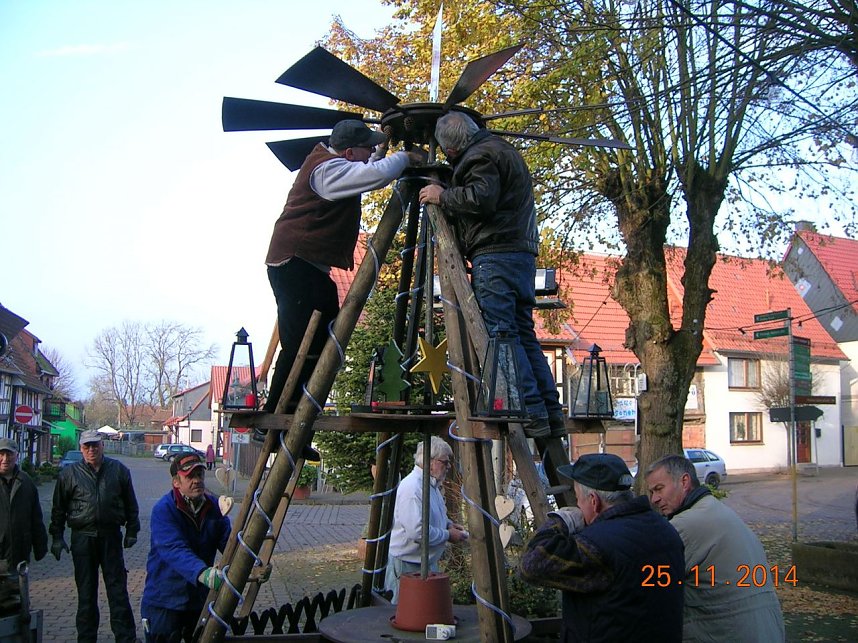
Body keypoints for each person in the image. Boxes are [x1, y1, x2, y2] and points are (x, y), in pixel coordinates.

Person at [263, 119, 425, 417]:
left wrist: (379, 154)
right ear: (349, 152)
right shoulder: (327, 171)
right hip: (296, 264)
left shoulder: (333, 162)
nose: (370, 153)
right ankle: (275, 415)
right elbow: (371, 176)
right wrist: (404, 158)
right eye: (366, 149)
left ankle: (298, 415)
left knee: (322, 341)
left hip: (305, 266)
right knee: (299, 343)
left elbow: (364, 171)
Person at [418, 111, 562, 439]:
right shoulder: (501, 149)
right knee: (523, 333)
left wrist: (443, 195)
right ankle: (549, 411)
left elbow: (481, 198)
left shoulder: (479, 157)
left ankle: (529, 411)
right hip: (520, 254)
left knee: (501, 334)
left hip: (495, 253)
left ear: (451, 150)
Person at [519, 453, 684, 642]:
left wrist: (562, 521)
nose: (577, 505)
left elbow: (530, 566)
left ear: (594, 501)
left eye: (578, 499)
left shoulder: (598, 545)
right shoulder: (665, 529)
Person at [645, 454, 785, 642]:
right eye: (651, 492)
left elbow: (646, 586)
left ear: (684, 481)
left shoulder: (685, 525)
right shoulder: (719, 511)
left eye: (659, 489)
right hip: (767, 629)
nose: (654, 499)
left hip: (729, 632)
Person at [50, 429, 140, 643]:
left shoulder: (118, 470)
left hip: (110, 538)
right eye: (86, 446)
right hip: (82, 539)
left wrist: (132, 531)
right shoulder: (69, 474)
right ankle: (86, 638)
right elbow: (58, 509)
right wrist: (56, 536)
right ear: (81, 448)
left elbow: (131, 504)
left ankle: (126, 638)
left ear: (102, 446)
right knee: (86, 595)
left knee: (118, 592)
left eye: (95, 445)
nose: (91, 450)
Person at [140, 453, 232, 642]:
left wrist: (253, 562)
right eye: (190, 476)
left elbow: (230, 545)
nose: (197, 481)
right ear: (176, 482)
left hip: (198, 601)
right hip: (165, 600)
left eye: (200, 475)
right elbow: (174, 549)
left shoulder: (214, 507)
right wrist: (203, 573)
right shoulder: (164, 509)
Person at [385, 436, 468, 604]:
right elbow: (418, 532)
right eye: (445, 462)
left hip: (425, 563)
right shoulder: (412, 488)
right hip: (407, 566)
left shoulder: (431, 485)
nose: (448, 467)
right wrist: (447, 535)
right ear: (430, 462)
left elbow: (433, 516)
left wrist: (449, 525)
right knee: (405, 613)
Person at [0, 437, 47, 575]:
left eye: (9, 454)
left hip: (18, 552)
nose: (5, 459)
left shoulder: (26, 482)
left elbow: (36, 517)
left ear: (16, 456)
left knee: (16, 594)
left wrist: (40, 547)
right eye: (1, 454)